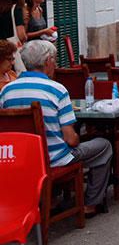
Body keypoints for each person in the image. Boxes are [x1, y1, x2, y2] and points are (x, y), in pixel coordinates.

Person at [0, 40, 112, 217]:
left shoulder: (6, 91)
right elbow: (70, 139)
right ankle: (90, 204)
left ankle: (51, 199)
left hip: (21, 159)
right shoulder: (57, 90)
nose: (55, 64)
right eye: (54, 60)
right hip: (53, 160)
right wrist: (77, 138)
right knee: (104, 146)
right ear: (47, 62)